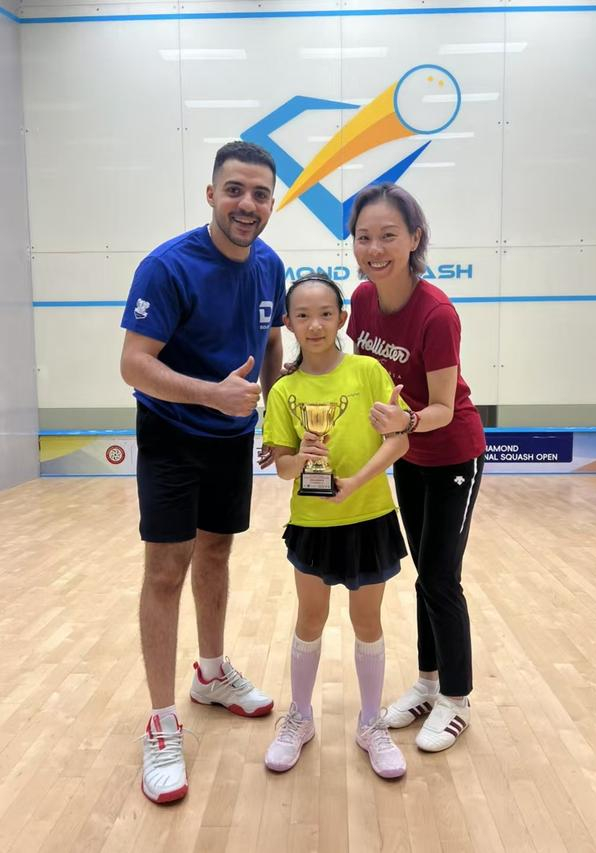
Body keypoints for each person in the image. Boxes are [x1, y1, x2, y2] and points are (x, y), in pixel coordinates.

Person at [120, 141, 286, 804]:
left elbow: (270, 339)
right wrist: (211, 395)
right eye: (235, 190)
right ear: (212, 194)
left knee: (217, 551)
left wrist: (273, 414)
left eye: (260, 194)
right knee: (166, 571)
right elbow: (135, 364)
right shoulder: (167, 266)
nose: (247, 204)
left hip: (232, 437)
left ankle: (211, 674)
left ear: (271, 203)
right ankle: (162, 722)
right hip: (171, 435)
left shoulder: (269, 264)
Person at [346, 183, 486, 753]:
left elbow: (443, 408)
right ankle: (427, 684)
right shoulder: (361, 299)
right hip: (408, 454)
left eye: (388, 236)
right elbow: (360, 375)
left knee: (440, 577)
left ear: (414, 239)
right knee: (424, 572)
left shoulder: (436, 313)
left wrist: (402, 422)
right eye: (363, 237)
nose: (374, 249)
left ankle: (456, 698)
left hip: (453, 454)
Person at [262, 272, 410, 779]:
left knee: (368, 623)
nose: (315, 325)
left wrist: (355, 483)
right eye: (303, 316)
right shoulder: (284, 391)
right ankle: (300, 718)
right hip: (312, 522)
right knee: (310, 619)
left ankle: (371, 723)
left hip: (369, 516)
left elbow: (399, 441)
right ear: (288, 323)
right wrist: (302, 457)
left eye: (326, 314)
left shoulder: (368, 372)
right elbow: (283, 468)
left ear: (342, 318)